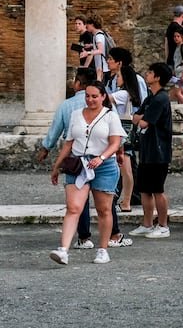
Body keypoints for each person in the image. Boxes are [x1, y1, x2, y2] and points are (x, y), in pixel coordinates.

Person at [49, 81, 126, 265]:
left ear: (103, 97)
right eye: (87, 96)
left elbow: (116, 142)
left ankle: (103, 249)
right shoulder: (76, 114)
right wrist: (57, 165)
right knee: (73, 207)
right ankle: (63, 250)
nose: (90, 100)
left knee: (104, 209)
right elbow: (69, 142)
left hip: (104, 165)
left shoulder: (110, 116)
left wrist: (102, 156)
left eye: (94, 96)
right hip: (78, 164)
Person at [37, 68, 99, 251]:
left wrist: (46, 148)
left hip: (76, 157)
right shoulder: (103, 101)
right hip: (100, 155)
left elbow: (56, 130)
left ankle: (84, 236)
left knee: (79, 198)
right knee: (105, 197)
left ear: (78, 83)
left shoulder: (67, 105)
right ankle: (112, 234)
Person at [130, 62, 174, 239]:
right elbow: (134, 118)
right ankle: (147, 223)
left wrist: (141, 118)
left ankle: (163, 225)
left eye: (149, 72)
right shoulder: (150, 98)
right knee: (144, 189)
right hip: (147, 149)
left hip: (159, 151)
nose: (146, 74)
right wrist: (141, 118)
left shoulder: (161, 98)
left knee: (157, 189)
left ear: (157, 77)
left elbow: (143, 122)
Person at [103, 47, 145, 213]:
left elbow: (106, 99)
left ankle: (128, 198)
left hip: (124, 127)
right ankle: (123, 197)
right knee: (123, 165)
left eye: (111, 59)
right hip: (121, 126)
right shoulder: (114, 82)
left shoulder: (127, 87)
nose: (108, 61)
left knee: (126, 166)